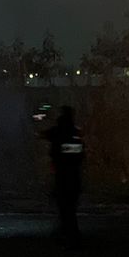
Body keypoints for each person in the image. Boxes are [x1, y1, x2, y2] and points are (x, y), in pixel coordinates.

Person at [41, 105, 86, 246]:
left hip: (62, 174)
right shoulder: (76, 132)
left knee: (64, 205)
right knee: (70, 206)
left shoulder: (58, 131)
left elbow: (43, 135)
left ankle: (67, 233)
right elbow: (81, 155)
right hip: (74, 175)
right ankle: (71, 232)